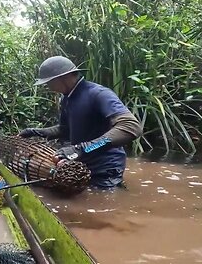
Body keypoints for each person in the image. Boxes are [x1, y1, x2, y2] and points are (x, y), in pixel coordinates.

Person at [19, 56, 143, 188]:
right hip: (82, 163)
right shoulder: (67, 98)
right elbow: (65, 129)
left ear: (63, 78)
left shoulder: (99, 94)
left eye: (49, 82)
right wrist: (36, 132)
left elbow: (131, 126)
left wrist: (82, 149)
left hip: (106, 168)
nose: (47, 86)